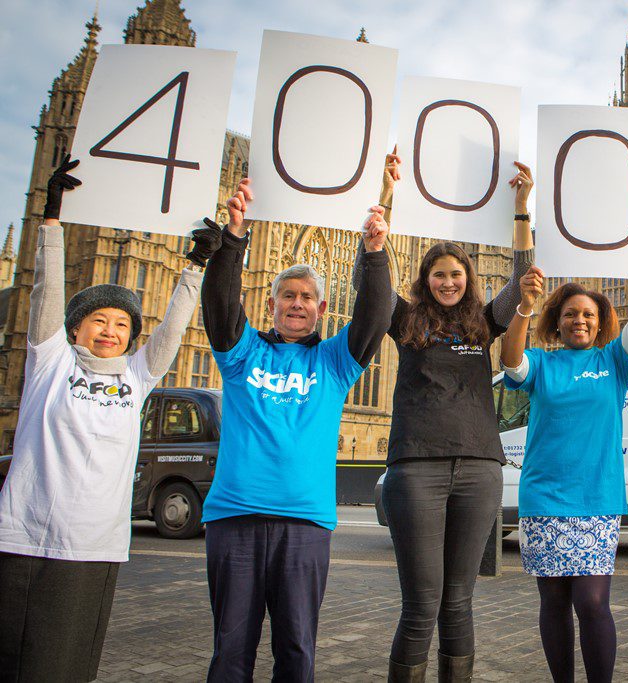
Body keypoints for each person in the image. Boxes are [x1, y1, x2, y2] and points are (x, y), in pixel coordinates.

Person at [0, 156, 204, 681]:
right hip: (24, 534)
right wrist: (51, 221)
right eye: (97, 321)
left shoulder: (136, 375)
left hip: (94, 544)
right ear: (75, 330)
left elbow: (173, 331)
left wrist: (195, 270)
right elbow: (46, 295)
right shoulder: (50, 361)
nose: (109, 331)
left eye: (120, 324)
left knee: (68, 664)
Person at [199, 178, 393, 682]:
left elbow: (374, 316)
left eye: (308, 297)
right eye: (288, 295)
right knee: (231, 651)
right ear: (270, 305)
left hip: (304, 524)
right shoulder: (243, 355)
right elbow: (220, 306)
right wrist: (234, 240)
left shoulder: (334, 362)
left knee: (297, 651)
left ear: (321, 309)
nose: (298, 303)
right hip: (235, 517)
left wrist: (374, 254)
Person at [360, 149, 535, 683]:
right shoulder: (405, 319)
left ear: (467, 279)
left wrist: (522, 209)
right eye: (439, 274)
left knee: (459, 602)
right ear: (426, 279)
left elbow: (522, 277)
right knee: (421, 603)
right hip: (417, 468)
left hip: (480, 468)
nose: (448, 282)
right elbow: (371, 290)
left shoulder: (484, 322)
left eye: (456, 274)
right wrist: (382, 210)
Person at [499, 219, 628, 683]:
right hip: (544, 498)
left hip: (596, 498)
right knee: (553, 604)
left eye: (589, 315)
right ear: (557, 321)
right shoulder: (543, 363)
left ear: (600, 324)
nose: (580, 320)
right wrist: (523, 306)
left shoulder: (614, 361)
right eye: (572, 313)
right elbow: (511, 362)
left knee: (592, 603)